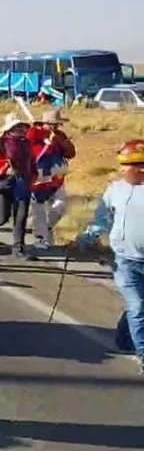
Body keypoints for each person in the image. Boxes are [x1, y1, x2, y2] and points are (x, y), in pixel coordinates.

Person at [74, 139, 144, 373]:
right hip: (124, 260)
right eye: (122, 165)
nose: (124, 170)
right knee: (138, 306)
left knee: (139, 307)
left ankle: (124, 339)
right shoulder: (115, 190)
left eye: (130, 165)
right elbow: (102, 221)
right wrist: (85, 239)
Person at [0, 113, 36, 260]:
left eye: (21, 126)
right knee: (1, 217)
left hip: (22, 181)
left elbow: (31, 160)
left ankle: (18, 247)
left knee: (21, 215)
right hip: (4, 182)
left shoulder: (26, 142)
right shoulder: (0, 143)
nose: (20, 128)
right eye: (16, 126)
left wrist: (33, 173)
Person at [28, 109, 76, 249]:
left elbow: (71, 153)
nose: (56, 127)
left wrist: (59, 141)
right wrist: (46, 140)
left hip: (57, 178)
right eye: (52, 124)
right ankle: (40, 238)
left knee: (60, 206)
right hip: (39, 177)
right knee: (40, 209)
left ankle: (46, 228)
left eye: (57, 124)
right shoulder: (33, 134)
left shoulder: (60, 135)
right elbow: (32, 150)